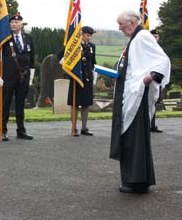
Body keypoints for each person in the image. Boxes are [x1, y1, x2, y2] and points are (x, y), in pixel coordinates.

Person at [110, 10, 170, 194]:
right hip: (130, 93)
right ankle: (135, 179)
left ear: (133, 22)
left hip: (137, 95)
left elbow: (162, 60)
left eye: (121, 24)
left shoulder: (143, 36)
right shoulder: (134, 39)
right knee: (130, 137)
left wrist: (150, 77)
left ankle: (136, 181)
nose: (119, 28)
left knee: (134, 139)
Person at [0, 12, 35, 141]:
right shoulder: (5, 39)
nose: (14, 24)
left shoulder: (28, 38)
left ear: (21, 24)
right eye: (12, 22)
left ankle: (21, 130)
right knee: (5, 103)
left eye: (16, 22)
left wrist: (31, 77)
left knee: (20, 104)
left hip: (24, 77)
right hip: (8, 76)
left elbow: (32, 58)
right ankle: (3, 130)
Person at [59, 26, 96, 136]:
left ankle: (84, 128)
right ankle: (74, 128)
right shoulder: (73, 45)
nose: (89, 38)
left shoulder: (91, 46)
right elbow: (60, 58)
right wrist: (69, 67)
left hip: (87, 78)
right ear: (82, 34)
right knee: (74, 104)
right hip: (76, 78)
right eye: (87, 35)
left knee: (86, 104)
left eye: (90, 36)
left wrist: (94, 76)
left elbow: (93, 62)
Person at [149, 29, 165, 133]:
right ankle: (145, 125)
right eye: (154, 36)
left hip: (157, 78)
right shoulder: (147, 48)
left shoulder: (159, 49)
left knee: (154, 102)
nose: (156, 38)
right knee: (147, 102)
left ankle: (152, 125)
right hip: (148, 77)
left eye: (157, 37)